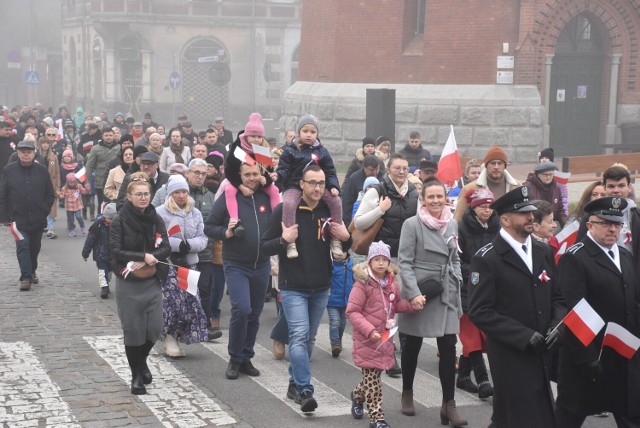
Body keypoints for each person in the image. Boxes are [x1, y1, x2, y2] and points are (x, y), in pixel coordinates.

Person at [468, 186, 565, 428]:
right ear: (505, 219)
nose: (531, 217)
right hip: (511, 354)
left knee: (530, 415)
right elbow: (480, 310)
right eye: (523, 213)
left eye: (531, 212)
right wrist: (523, 336)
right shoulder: (487, 258)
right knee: (517, 416)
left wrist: (557, 327)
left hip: (543, 350)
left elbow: (558, 298)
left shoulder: (543, 251)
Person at [261, 165, 351, 412]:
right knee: (299, 335)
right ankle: (304, 389)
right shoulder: (285, 210)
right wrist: (283, 240)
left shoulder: (329, 209)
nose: (317, 187)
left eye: (321, 183)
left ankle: (293, 384)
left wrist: (347, 237)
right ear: (301, 184)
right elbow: (264, 246)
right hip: (293, 287)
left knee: (309, 338)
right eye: (312, 182)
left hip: (321, 286)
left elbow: (346, 246)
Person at [555, 196, 640, 427]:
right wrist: (588, 359)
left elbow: (633, 303)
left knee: (631, 414)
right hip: (588, 357)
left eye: (616, 224)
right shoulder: (575, 257)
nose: (612, 229)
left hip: (622, 354)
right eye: (605, 223)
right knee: (569, 416)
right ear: (590, 225)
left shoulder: (625, 255)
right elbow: (574, 311)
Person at [397, 178, 466, 425]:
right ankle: (407, 392)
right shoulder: (411, 224)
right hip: (421, 290)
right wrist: (414, 292)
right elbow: (404, 262)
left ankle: (449, 404)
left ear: (446, 198)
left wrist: (456, 278)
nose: (436, 201)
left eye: (440, 196)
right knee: (412, 345)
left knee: (448, 348)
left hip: (445, 291)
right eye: (431, 197)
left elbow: (455, 257)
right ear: (423, 200)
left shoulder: (452, 223)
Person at [205, 162, 274, 380]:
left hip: (261, 264)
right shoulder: (230, 195)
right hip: (236, 264)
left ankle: (246, 357)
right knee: (241, 309)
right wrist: (227, 232)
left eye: (255, 173)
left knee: (254, 313)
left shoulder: (267, 196)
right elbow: (209, 227)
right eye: (247, 175)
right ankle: (234, 358)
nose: (252, 178)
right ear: (240, 176)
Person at [346, 241, 422, 428]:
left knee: (372, 378)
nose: (381, 263)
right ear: (369, 261)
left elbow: (395, 306)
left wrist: (412, 306)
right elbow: (352, 311)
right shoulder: (362, 284)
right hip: (367, 339)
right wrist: (369, 330)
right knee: (373, 380)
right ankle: (377, 418)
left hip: (385, 338)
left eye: (384, 260)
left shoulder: (392, 283)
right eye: (376, 259)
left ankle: (357, 396)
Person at [110, 174, 171, 395]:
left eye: (146, 194)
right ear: (129, 196)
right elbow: (115, 251)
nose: (143, 198)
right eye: (139, 194)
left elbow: (165, 246)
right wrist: (142, 255)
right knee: (133, 330)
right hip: (129, 282)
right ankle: (136, 374)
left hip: (152, 279)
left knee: (154, 328)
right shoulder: (120, 220)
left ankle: (142, 360)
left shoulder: (155, 218)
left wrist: (153, 255)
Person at [273, 114, 344, 259]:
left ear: (317, 134)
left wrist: (333, 185)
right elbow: (284, 168)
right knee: (288, 203)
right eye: (305, 131)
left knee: (336, 201)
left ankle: (336, 238)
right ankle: (290, 241)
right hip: (295, 185)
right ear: (299, 132)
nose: (309, 135)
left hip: (317, 186)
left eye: (313, 132)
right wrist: (279, 176)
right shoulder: (291, 150)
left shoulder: (322, 152)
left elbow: (330, 171)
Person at [156, 175, 209, 357]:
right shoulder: (160, 212)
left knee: (188, 303)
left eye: (184, 192)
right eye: (177, 192)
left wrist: (190, 245)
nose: (181, 196)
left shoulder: (195, 213)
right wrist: (177, 245)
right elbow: (157, 238)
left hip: (189, 264)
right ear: (171, 194)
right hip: (169, 263)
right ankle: (169, 337)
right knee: (172, 303)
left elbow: (203, 238)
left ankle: (179, 336)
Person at [456, 188, 498, 398]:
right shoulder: (462, 228)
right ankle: (482, 380)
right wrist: (476, 273)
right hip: (467, 289)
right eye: (482, 206)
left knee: (483, 337)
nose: (487, 210)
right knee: (470, 336)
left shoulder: (498, 226)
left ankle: (463, 376)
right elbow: (458, 260)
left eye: (490, 205)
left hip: (491, 290)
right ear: (473, 207)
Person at [0, 140, 56, 291]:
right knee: (23, 245)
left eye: (29, 152)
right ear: (18, 153)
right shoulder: (9, 170)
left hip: (38, 217)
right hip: (17, 218)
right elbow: (3, 194)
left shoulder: (42, 170)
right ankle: (26, 277)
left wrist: (44, 210)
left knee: (34, 247)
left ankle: (32, 270)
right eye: (23, 151)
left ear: (34, 153)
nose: (26, 154)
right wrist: (4, 216)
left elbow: (50, 194)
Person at [223, 113, 280, 240]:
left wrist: (267, 180)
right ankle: (235, 221)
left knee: (274, 190)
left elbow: (269, 171)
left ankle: (277, 220)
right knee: (229, 190)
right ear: (246, 135)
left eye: (259, 136)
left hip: (258, 182)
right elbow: (229, 171)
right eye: (253, 136)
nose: (256, 139)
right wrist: (241, 187)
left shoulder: (262, 148)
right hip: (238, 180)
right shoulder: (237, 147)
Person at [455, 146, 521, 221]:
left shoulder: (517, 187)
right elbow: (458, 219)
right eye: (493, 163)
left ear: (505, 166)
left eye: (500, 163)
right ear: (486, 165)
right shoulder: (470, 189)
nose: (496, 167)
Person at [82, 203, 117, 299]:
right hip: (100, 254)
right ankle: (104, 288)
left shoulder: (117, 226)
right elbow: (90, 240)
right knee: (102, 272)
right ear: (105, 217)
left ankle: (106, 282)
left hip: (113, 255)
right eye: (110, 219)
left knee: (109, 272)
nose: (111, 221)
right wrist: (85, 253)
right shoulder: (97, 226)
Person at [84, 127, 119, 211]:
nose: (108, 137)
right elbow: (89, 165)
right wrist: (87, 181)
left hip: (116, 181)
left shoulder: (119, 148)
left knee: (115, 203)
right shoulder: (95, 148)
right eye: (106, 135)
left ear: (113, 136)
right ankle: (100, 221)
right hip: (100, 181)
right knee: (102, 203)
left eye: (110, 135)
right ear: (102, 136)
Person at [342, 154, 383, 225]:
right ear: (364, 168)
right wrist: (349, 225)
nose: (374, 172)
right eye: (371, 170)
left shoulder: (383, 178)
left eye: (377, 169)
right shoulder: (354, 179)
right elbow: (347, 202)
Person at [326, 254, 353, 358]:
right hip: (332, 301)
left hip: (346, 301)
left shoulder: (351, 265)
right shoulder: (331, 265)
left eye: (343, 251)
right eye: (337, 251)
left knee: (342, 323)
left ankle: (339, 340)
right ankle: (335, 343)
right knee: (335, 321)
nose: (340, 254)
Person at [524, 161, 565, 228]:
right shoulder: (528, 187)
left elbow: (560, 210)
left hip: (551, 224)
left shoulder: (556, 188)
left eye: (551, 174)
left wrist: (565, 225)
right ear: (538, 175)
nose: (548, 177)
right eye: (545, 175)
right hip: (535, 225)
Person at [37, 136, 61, 239]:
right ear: (40, 144)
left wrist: (58, 187)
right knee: (40, 206)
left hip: (51, 184)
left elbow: (57, 173)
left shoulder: (53, 157)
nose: (45, 145)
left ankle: (50, 228)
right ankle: (43, 225)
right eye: (43, 143)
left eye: (47, 143)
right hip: (39, 185)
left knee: (51, 206)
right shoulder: (36, 156)